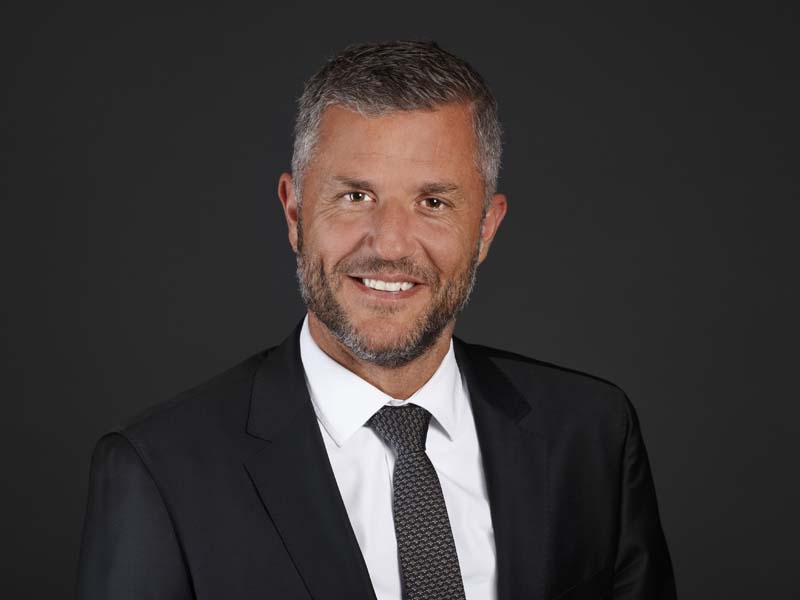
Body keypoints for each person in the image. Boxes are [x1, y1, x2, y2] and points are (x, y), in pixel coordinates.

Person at [77, 41, 676, 599]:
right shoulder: (159, 469)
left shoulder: (591, 433)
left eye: (433, 202)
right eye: (355, 196)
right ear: (294, 212)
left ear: (486, 229)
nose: (390, 244)